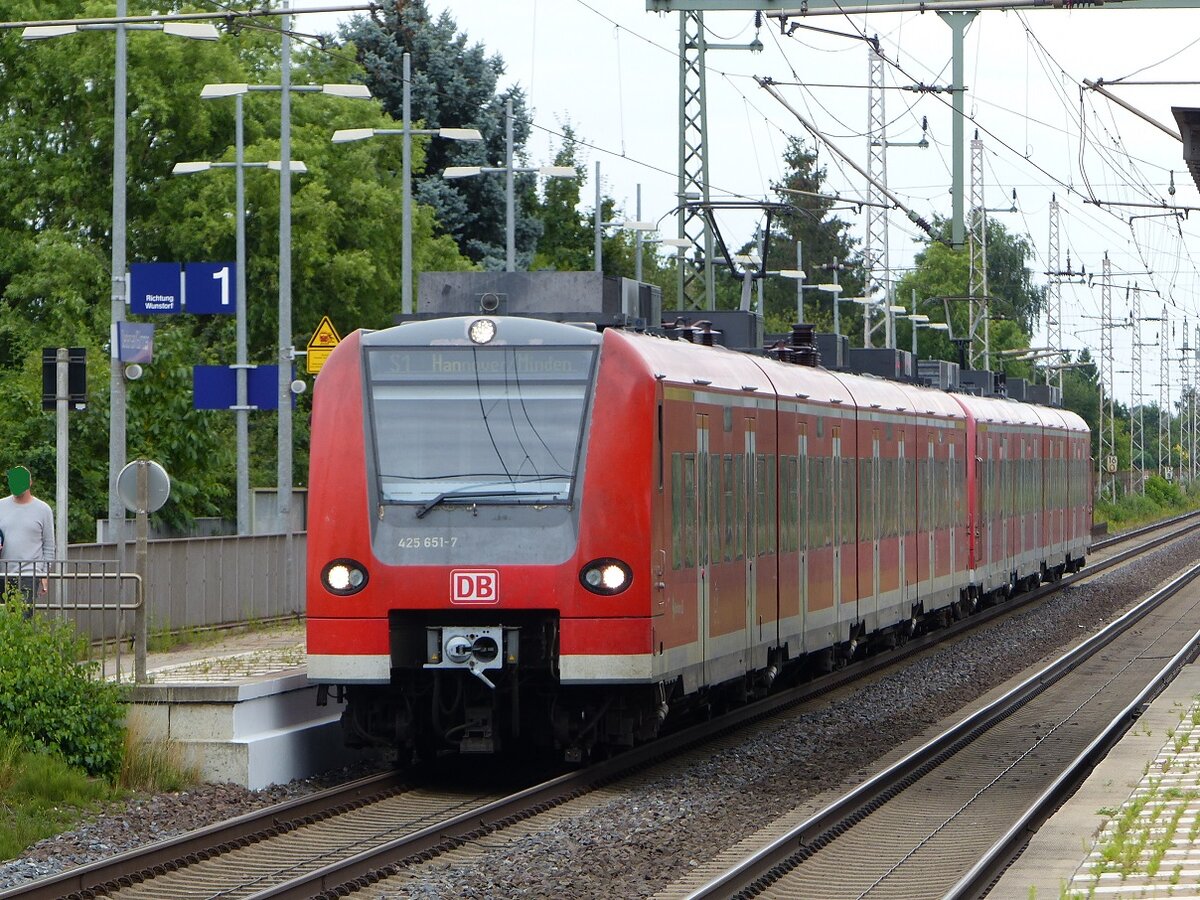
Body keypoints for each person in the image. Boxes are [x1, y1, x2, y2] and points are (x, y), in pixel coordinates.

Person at [0, 466, 55, 609]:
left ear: (30, 483)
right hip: (3, 572)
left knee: (23, 615)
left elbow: (48, 545)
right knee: (4, 617)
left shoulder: (43, 510)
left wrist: (44, 574)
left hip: (30, 573)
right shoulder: (1, 506)